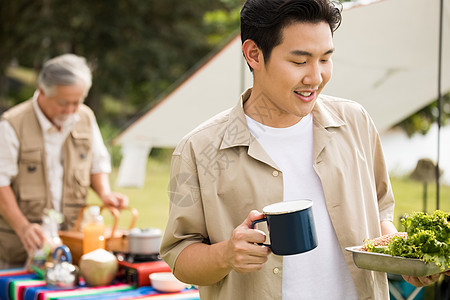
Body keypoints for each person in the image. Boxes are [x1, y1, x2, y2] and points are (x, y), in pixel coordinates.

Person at [160, 0, 448, 299]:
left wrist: (404, 260)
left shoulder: (355, 122)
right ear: (254, 54)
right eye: (300, 61)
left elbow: (378, 213)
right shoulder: (200, 149)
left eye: (325, 59)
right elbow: (180, 256)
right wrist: (226, 255)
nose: (315, 77)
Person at [0, 54, 128, 269]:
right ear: (42, 91)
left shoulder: (85, 117)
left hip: (71, 247)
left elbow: (97, 164)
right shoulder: (12, 124)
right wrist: (23, 228)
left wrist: (105, 193)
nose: (70, 110)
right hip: (19, 251)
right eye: (63, 103)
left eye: (77, 102)